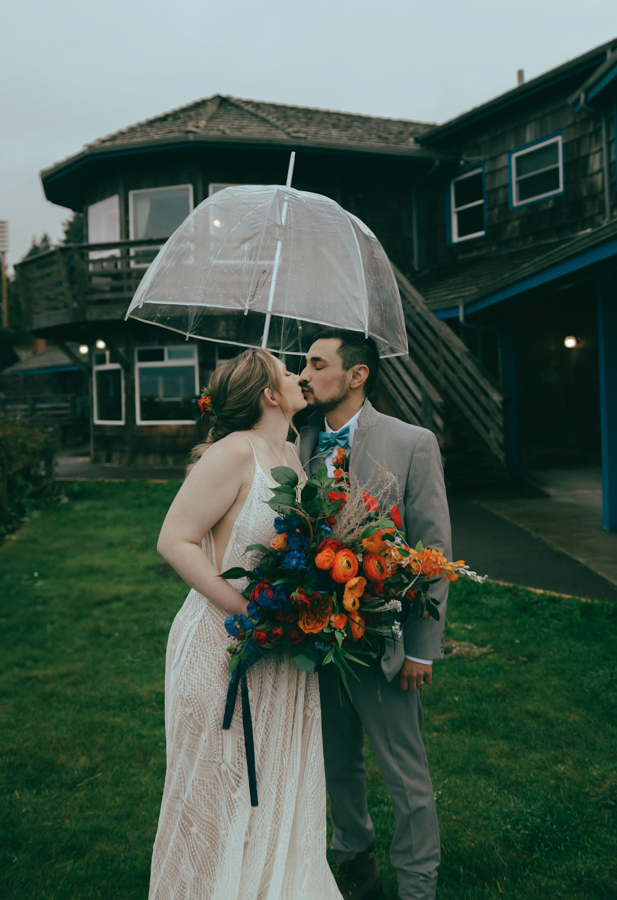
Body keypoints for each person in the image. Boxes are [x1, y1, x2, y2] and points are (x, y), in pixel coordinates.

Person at [152, 348, 342, 900]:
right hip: (223, 647)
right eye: (289, 372)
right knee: (218, 790)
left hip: (282, 655)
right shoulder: (234, 452)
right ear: (268, 394)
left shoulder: (292, 452)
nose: (300, 377)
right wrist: (250, 612)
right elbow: (175, 541)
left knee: (277, 786)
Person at [298, 329, 451, 900]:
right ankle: (352, 860)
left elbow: (435, 553)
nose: (305, 374)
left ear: (357, 374)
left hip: (383, 642)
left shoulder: (412, 443)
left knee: (404, 777)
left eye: (317, 364)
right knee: (336, 764)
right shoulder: (298, 441)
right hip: (316, 640)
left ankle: (417, 885)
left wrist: (420, 648)